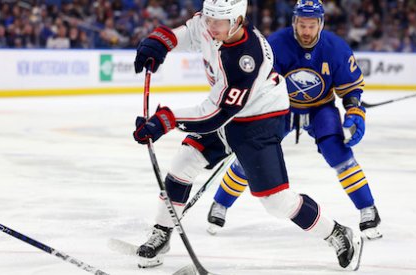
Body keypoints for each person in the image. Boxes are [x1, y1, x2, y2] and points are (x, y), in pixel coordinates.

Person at [132, 0, 363, 271]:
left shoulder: (247, 59)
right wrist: (161, 41)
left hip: (259, 121)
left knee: (276, 202)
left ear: (238, 21)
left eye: (218, 21)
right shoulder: (214, 23)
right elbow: (191, 32)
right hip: (228, 113)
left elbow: (213, 116)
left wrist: (164, 121)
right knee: (184, 162)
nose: (210, 26)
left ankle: (336, 233)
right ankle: (163, 231)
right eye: (209, 18)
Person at [207, 0, 382, 240]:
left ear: (321, 24)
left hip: (321, 109)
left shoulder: (336, 48)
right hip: (280, 107)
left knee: (338, 153)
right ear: (294, 22)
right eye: (302, 25)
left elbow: (350, 89)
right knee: (252, 153)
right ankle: (221, 204)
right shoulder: (275, 45)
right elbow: (257, 84)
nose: (307, 31)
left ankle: (367, 208)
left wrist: (354, 111)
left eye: (311, 25)